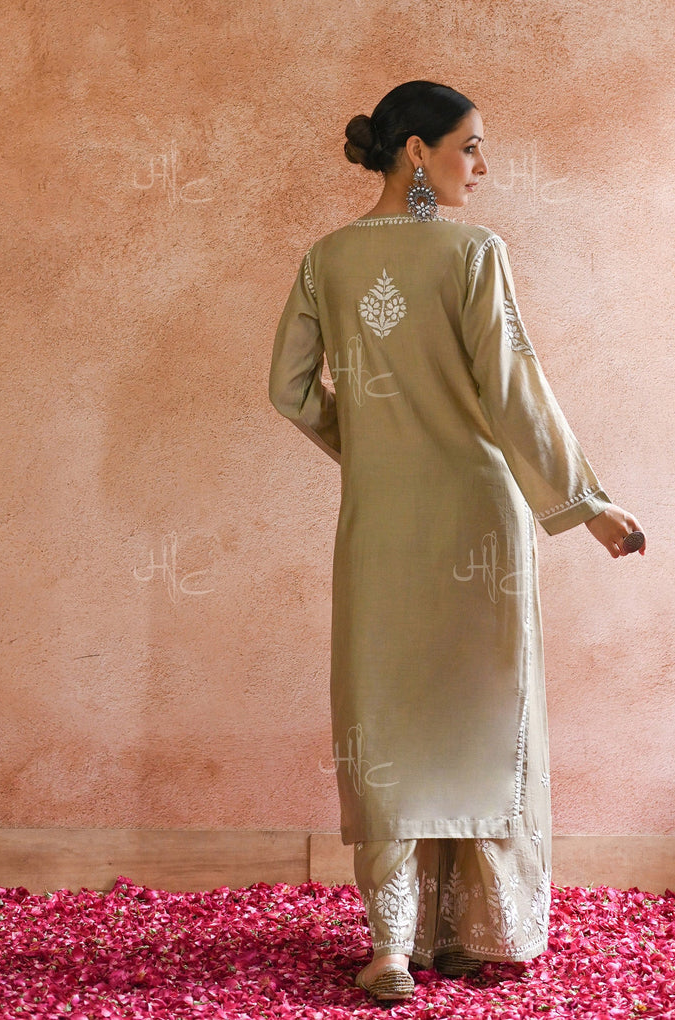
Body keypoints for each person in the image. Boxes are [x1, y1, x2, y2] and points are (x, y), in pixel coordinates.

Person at [268, 80, 645, 1002]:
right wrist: (588, 505)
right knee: (481, 715)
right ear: (417, 152)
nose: (481, 167)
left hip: (381, 523)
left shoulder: (326, 259)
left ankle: (391, 947)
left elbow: (289, 389)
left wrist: (373, 445)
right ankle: (473, 933)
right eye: (470, 146)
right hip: (479, 517)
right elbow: (513, 390)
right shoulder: (473, 252)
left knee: (385, 715)